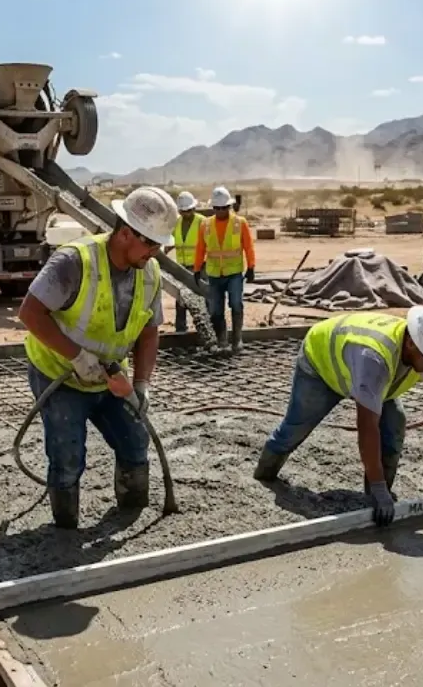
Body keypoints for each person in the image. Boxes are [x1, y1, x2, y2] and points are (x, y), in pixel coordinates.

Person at [18, 186, 179, 529]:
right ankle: (65, 531)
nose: (156, 252)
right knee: (67, 454)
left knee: (135, 441)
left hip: (110, 376)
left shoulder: (148, 272)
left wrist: (142, 384)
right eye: (151, 243)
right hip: (59, 373)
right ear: (124, 233)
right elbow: (31, 314)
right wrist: (77, 357)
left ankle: (130, 513)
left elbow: (149, 332)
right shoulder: (74, 261)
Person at [253, 307, 423, 526]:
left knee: (395, 422)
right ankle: (265, 475)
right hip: (321, 365)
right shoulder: (375, 357)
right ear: (411, 343)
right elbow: (367, 426)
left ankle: (374, 497)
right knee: (295, 429)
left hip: (367, 372)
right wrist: (378, 486)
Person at [193, 185, 256, 353]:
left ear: (229, 206)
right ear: (213, 208)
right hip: (214, 274)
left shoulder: (239, 223)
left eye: (224, 208)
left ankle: (237, 341)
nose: (221, 211)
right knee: (216, 310)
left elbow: (248, 246)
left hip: (234, 273)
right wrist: (197, 268)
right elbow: (200, 248)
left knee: (236, 304)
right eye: (217, 208)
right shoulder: (206, 225)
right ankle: (222, 341)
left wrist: (251, 267)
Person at [164, 191, 206, 333]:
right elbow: (171, 241)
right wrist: (161, 253)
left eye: (188, 211)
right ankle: (181, 331)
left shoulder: (202, 222)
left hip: (199, 268)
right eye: (183, 211)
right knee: (181, 301)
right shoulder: (177, 222)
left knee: (202, 301)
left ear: (194, 208)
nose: (185, 214)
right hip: (181, 269)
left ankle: (207, 330)